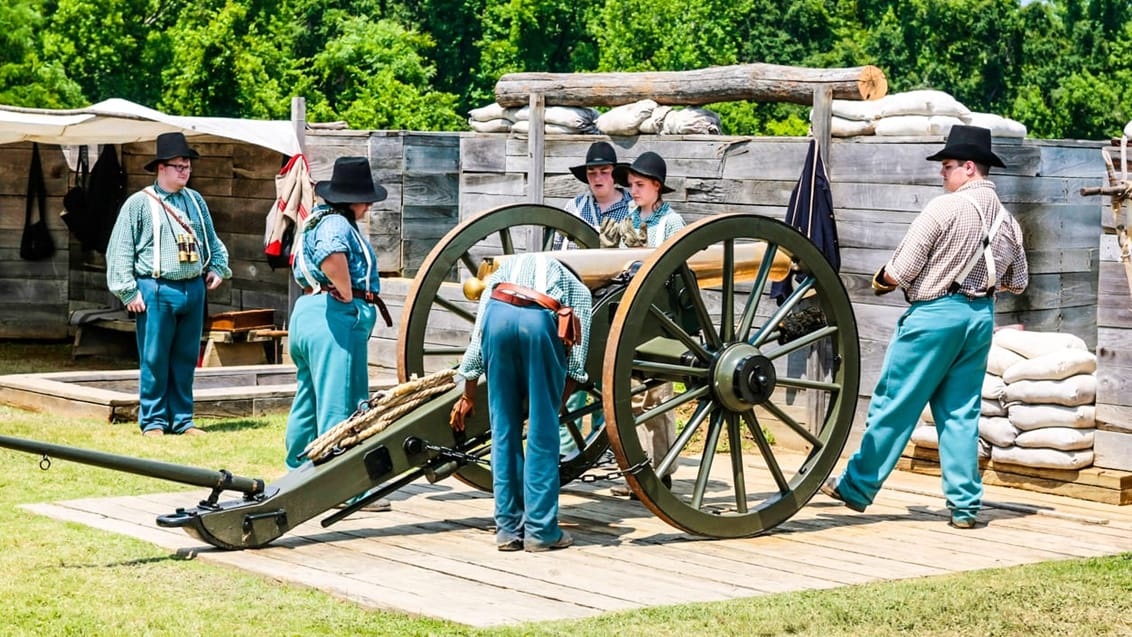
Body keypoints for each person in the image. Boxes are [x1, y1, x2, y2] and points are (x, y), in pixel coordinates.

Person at [821, 125, 1028, 529]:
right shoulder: (1009, 222)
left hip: (934, 315)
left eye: (948, 166)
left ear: (970, 168)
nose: (942, 173)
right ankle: (965, 507)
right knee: (960, 414)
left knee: (894, 403)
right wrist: (980, 286)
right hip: (979, 319)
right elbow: (1018, 281)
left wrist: (880, 282)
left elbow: (901, 269)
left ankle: (857, 488)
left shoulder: (943, 208)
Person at [451, 253, 593, 552]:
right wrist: (554, 405)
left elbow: (477, 339)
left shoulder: (500, 277)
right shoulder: (578, 288)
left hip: (498, 319)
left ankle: (507, 530)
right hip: (538, 323)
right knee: (542, 434)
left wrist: (468, 394)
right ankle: (541, 531)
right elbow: (577, 364)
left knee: (503, 431)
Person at [106, 132, 230, 437]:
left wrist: (217, 267)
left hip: (193, 288)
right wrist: (128, 290)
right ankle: (154, 421)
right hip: (156, 289)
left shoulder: (195, 201)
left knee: (187, 357)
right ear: (161, 168)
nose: (185, 171)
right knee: (155, 357)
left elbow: (211, 241)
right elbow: (120, 249)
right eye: (179, 166)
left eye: (187, 166)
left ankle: (183, 420)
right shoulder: (139, 204)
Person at [283, 157, 391, 496]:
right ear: (352, 199)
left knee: (309, 399)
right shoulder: (336, 225)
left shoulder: (315, 219)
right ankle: (342, 488)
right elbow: (332, 256)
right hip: (333, 316)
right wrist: (345, 291)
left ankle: (297, 473)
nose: (368, 207)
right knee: (341, 403)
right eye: (365, 200)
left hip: (309, 312)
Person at [609, 151, 686, 497]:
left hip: (661, 318)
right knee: (632, 400)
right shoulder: (627, 216)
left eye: (640, 185)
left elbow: (681, 271)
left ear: (657, 187)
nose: (633, 191)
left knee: (659, 399)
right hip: (630, 316)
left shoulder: (672, 223)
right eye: (631, 185)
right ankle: (636, 473)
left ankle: (664, 471)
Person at [557, 141, 632, 456]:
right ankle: (566, 448)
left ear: (614, 174)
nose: (598, 177)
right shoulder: (574, 208)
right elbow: (558, 248)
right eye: (592, 172)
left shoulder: (631, 208)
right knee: (570, 376)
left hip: (613, 301)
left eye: (603, 171)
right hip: (573, 301)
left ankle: (604, 446)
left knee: (605, 380)